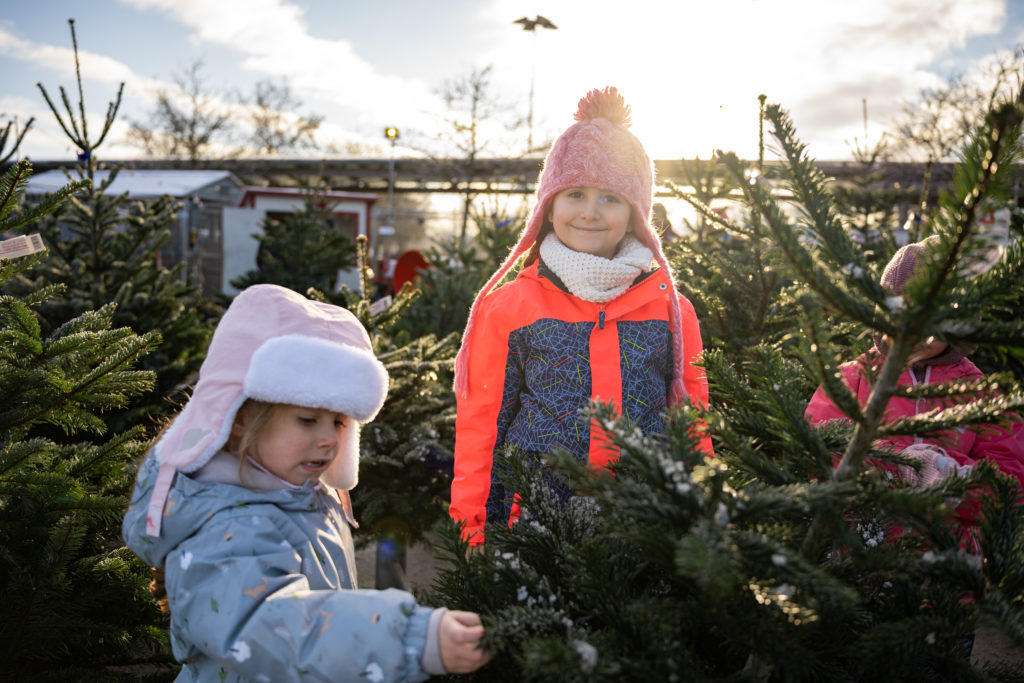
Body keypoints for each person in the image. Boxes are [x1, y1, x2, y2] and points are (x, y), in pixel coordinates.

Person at [123, 284, 489, 682]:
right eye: (308, 419)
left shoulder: (304, 495)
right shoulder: (225, 524)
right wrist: (407, 637)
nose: (330, 438)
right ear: (241, 417)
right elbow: (271, 626)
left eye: (338, 421)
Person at [449, 87, 712, 550]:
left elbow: (692, 421)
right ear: (549, 206)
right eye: (575, 193)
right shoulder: (510, 307)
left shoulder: (671, 310)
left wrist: (702, 517)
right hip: (534, 523)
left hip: (641, 524)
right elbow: (482, 426)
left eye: (610, 198)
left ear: (635, 214)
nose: (590, 212)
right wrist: (473, 533)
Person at [805, 237, 1024, 545]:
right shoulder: (852, 378)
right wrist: (895, 468)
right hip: (863, 560)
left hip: (948, 566)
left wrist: (952, 480)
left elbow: (1011, 482)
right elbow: (819, 453)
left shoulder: (983, 393)